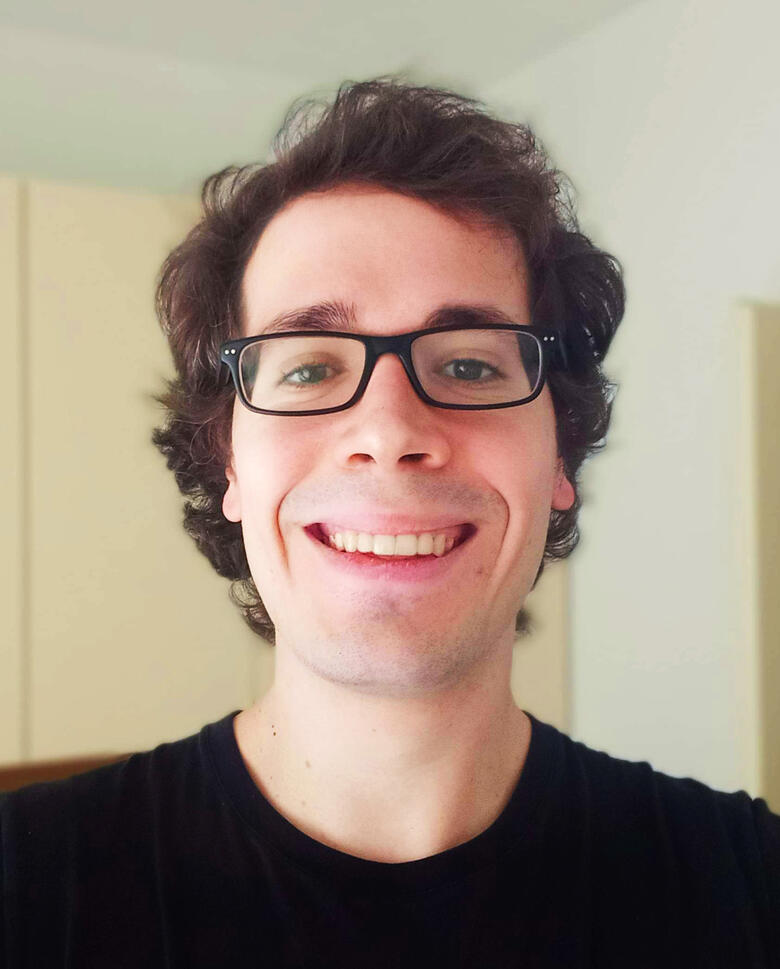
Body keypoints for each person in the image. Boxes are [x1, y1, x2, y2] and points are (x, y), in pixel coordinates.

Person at [1, 78, 778, 968]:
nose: (388, 430)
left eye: (469, 365)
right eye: (309, 369)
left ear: (559, 453)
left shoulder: (749, 883)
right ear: (229, 462)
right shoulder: (25, 886)